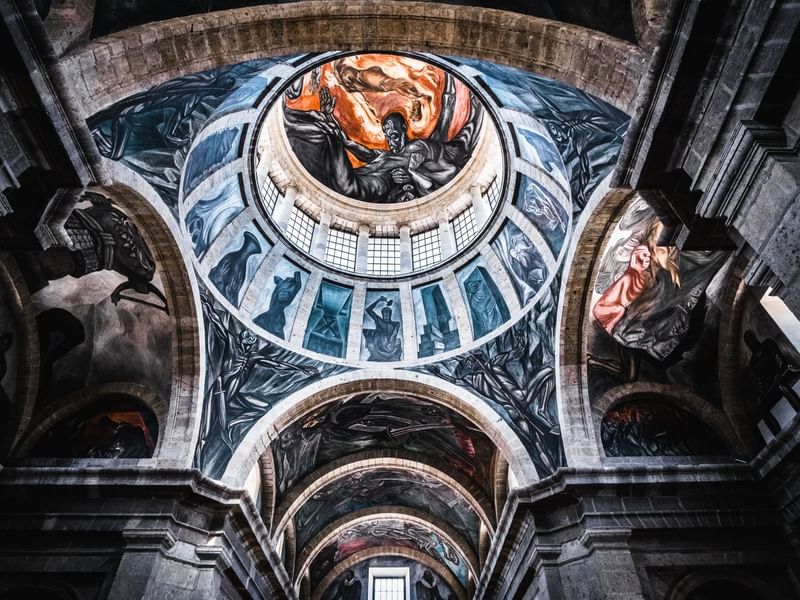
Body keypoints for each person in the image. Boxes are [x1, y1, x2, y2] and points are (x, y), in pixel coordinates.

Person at [284, 73, 483, 203]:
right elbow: (351, 144)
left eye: (393, 133)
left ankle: (312, 124)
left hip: (366, 188)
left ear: (404, 128)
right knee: (323, 131)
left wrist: (450, 79)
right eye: (387, 134)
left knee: (343, 181)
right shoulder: (383, 154)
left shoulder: (418, 149)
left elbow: (444, 120)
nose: (390, 138)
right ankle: (302, 116)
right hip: (359, 178)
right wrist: (330, 117)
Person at [362, 296, 402, 361]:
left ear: (390, 315)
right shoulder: (379, 320)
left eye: (387, 315)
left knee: (398, 341)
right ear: (382, 315)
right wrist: (379, 300)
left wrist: (390, 344)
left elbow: (394, 334)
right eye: (384, 315)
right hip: (379, 344)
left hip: (390, 345)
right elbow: (368, 310)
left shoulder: (396, 324)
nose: (386, 316)